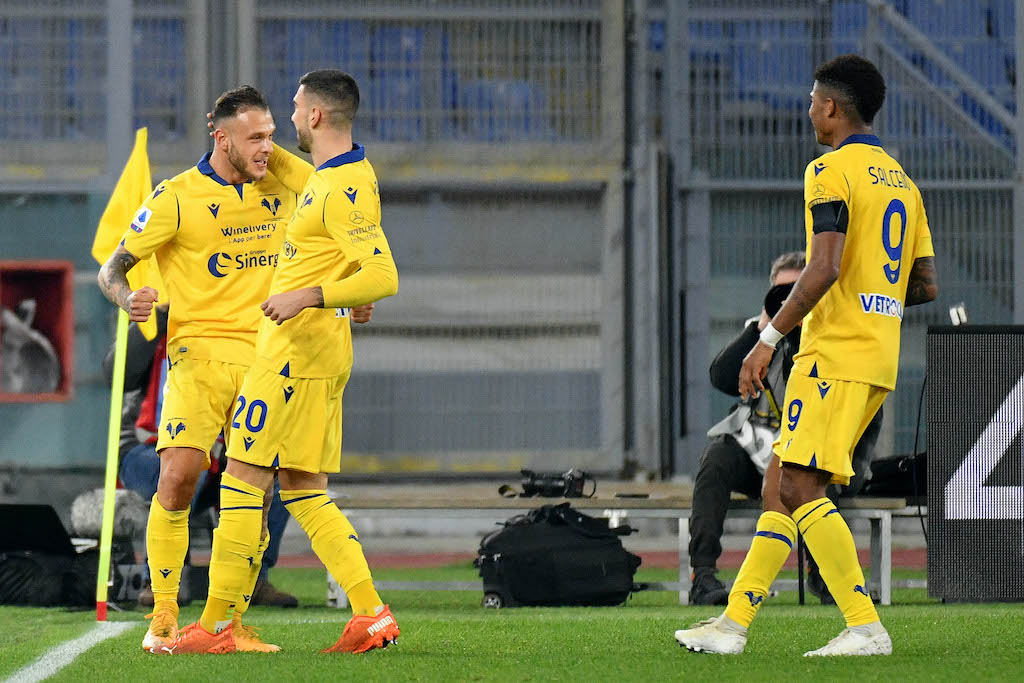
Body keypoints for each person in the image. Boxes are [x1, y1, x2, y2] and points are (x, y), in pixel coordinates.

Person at [674, 54, 937, 656]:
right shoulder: (903, 182)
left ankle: (864, 625)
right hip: (877, 355)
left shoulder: (829, 170)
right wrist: (874, 298)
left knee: (798, 489)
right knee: (785, 484)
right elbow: (924, 285)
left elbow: (822, 266)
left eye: (812, 99)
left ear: (831, 108)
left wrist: (766, 341)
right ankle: (732, 625)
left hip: (833, 354)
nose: (809, 109)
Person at [164, 69, 400, 655]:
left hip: (293, 355)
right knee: (304, 489)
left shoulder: (342, 186)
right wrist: (346, 289)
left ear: (315, 116)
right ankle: (371, 612)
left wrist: (309, 295)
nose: (288, 119)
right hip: (316, 353)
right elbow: (351, 262)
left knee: (243, 481)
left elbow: (383, 273)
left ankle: (215, 627)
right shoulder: (334, 176)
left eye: (294, 108)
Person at [97, 85, 296, 654]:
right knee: (179, 478)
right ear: (222, 136)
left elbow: (332, 223)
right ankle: (162, 618)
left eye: (272, 135)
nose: (268, 148)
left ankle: (228, 622)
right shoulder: (174, 198)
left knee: (254, 495)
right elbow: (112, 269)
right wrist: (124, 299)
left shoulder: (282, 189)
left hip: (265, 358)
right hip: (197, 358)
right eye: (256, 137)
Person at [691, 251, 882, 606]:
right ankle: (702, 576)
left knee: (814, 465)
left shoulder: (834, 335)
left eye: (797, 291)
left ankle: (824, 579)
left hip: (823, 454)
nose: (789, 300)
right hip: (758, 453)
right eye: (782, 292)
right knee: (715, 457)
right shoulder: (762, 336)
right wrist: (765, 327)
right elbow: (721, 378)